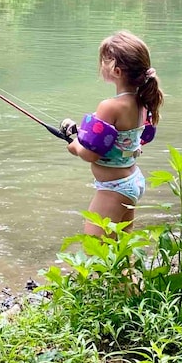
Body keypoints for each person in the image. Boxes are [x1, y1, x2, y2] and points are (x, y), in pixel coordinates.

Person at [61, 31, 164, 236]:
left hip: (114, 187)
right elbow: (119, 141)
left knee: (95, 244)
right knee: (121, 243)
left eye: (104, 62)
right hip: (132, 180)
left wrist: (74, 146)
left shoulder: (110, 106)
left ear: (116, 71)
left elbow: (91, 154)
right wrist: (80, 133)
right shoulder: (142, 100)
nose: (101, 66)